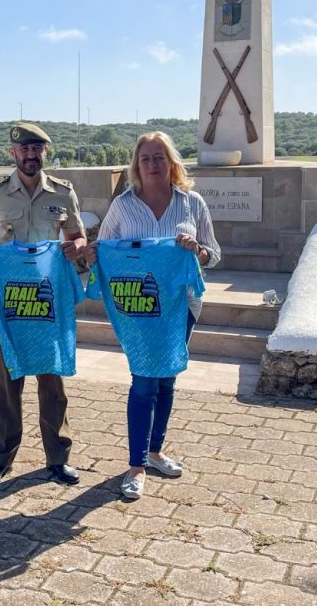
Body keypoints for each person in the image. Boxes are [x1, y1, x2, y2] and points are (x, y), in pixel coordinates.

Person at [85, 131, 220, 500]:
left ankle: (155, 451)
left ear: (172, 161)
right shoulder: (124, 206)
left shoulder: (192, 204)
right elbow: (103, 248)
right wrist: (94, 255)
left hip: (182, 306)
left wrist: (198, 252)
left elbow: (215, 254)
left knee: (167, 380)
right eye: (146, 158)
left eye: (159, 157)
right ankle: (136, 465)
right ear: (136, 165)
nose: (153, 164)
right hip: (140, 308)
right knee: (144, 380)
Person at [0, 122, 87, 488]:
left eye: (37, 149)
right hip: (10, 306)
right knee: (5, 383)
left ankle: (58, 458)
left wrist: (77, 248)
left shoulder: (63, 194)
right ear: (13, 153)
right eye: (24, 149)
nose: (30, 155)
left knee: (52, 383)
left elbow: (77, 236)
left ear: (45, 153)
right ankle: (0, 460)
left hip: (49, 304)